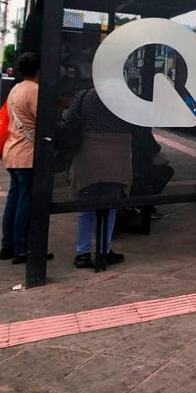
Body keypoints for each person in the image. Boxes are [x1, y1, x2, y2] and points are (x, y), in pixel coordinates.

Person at [59, 88, 132, 268]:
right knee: (110, 205)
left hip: (88, 154)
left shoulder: (84, 95)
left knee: (86, 206)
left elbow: (68, 121)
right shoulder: (125, 96)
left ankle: (82, 253)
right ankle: (104, 250)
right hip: (117, 155)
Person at [0, 53, 40, 263]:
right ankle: (21, 248)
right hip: (27, 154)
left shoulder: (16, 88)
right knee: (26, 200)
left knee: (13, 198)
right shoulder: (33, 90)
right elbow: (43, 118)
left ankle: (7, 245)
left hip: (12, 150)